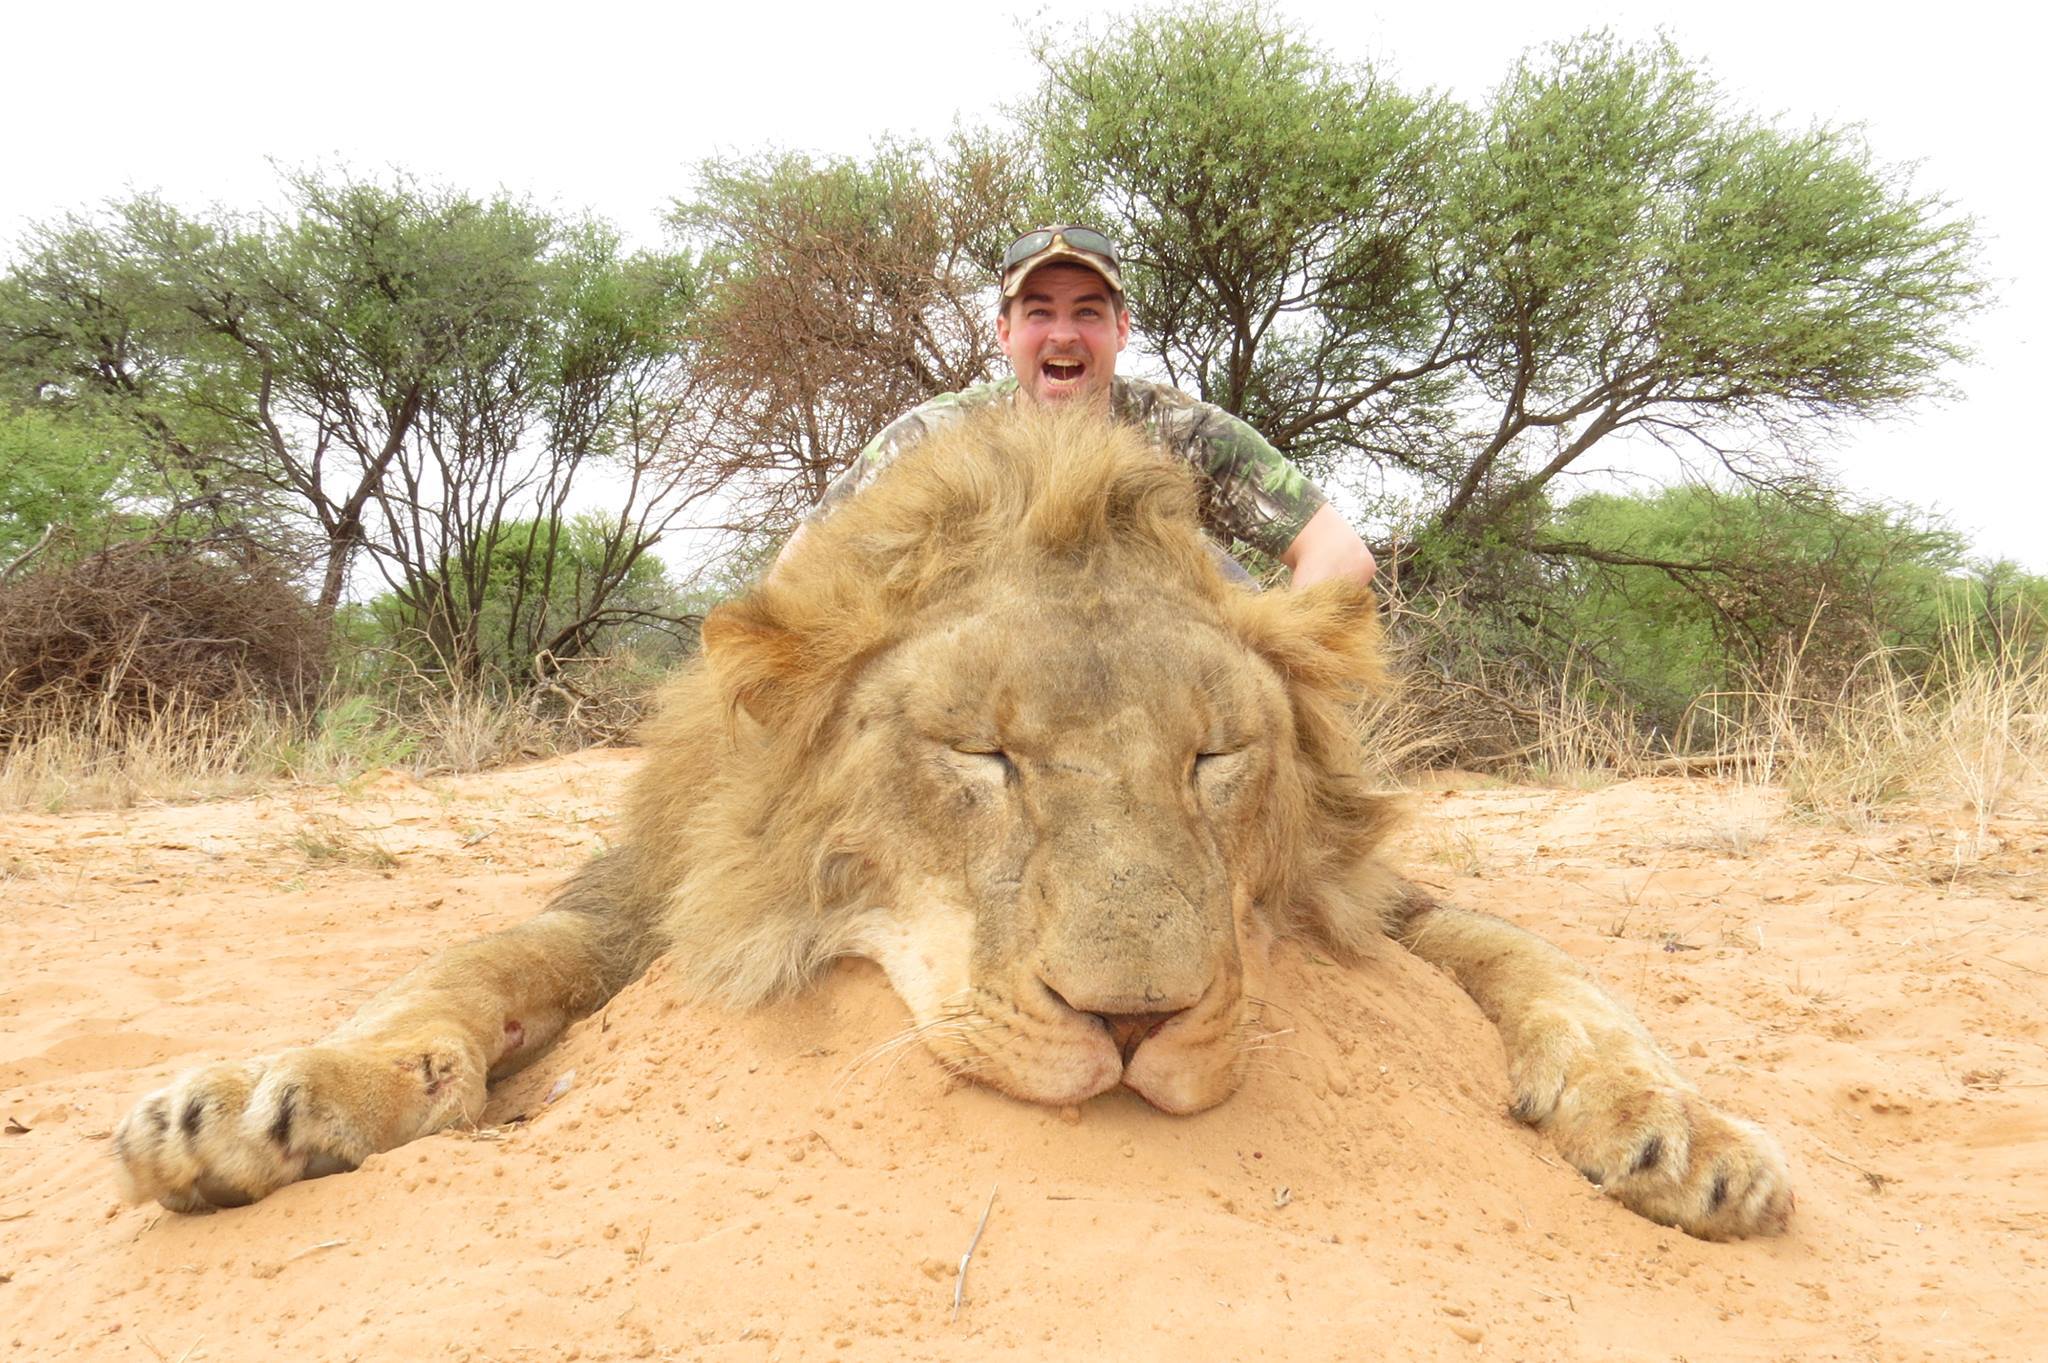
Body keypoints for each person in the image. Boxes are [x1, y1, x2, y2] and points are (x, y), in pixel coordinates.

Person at [789, 225, 1376, 590]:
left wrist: (1269, 671)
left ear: (1121, 329)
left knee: (1202, 569)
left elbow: (1341, 555)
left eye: (1088, 313)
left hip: (1156, 685)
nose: (1064, 335)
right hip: (985, 681)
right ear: (1004, 332)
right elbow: (800, 568)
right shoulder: (936, 436)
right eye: (1039, 312)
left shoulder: (1186, 432)